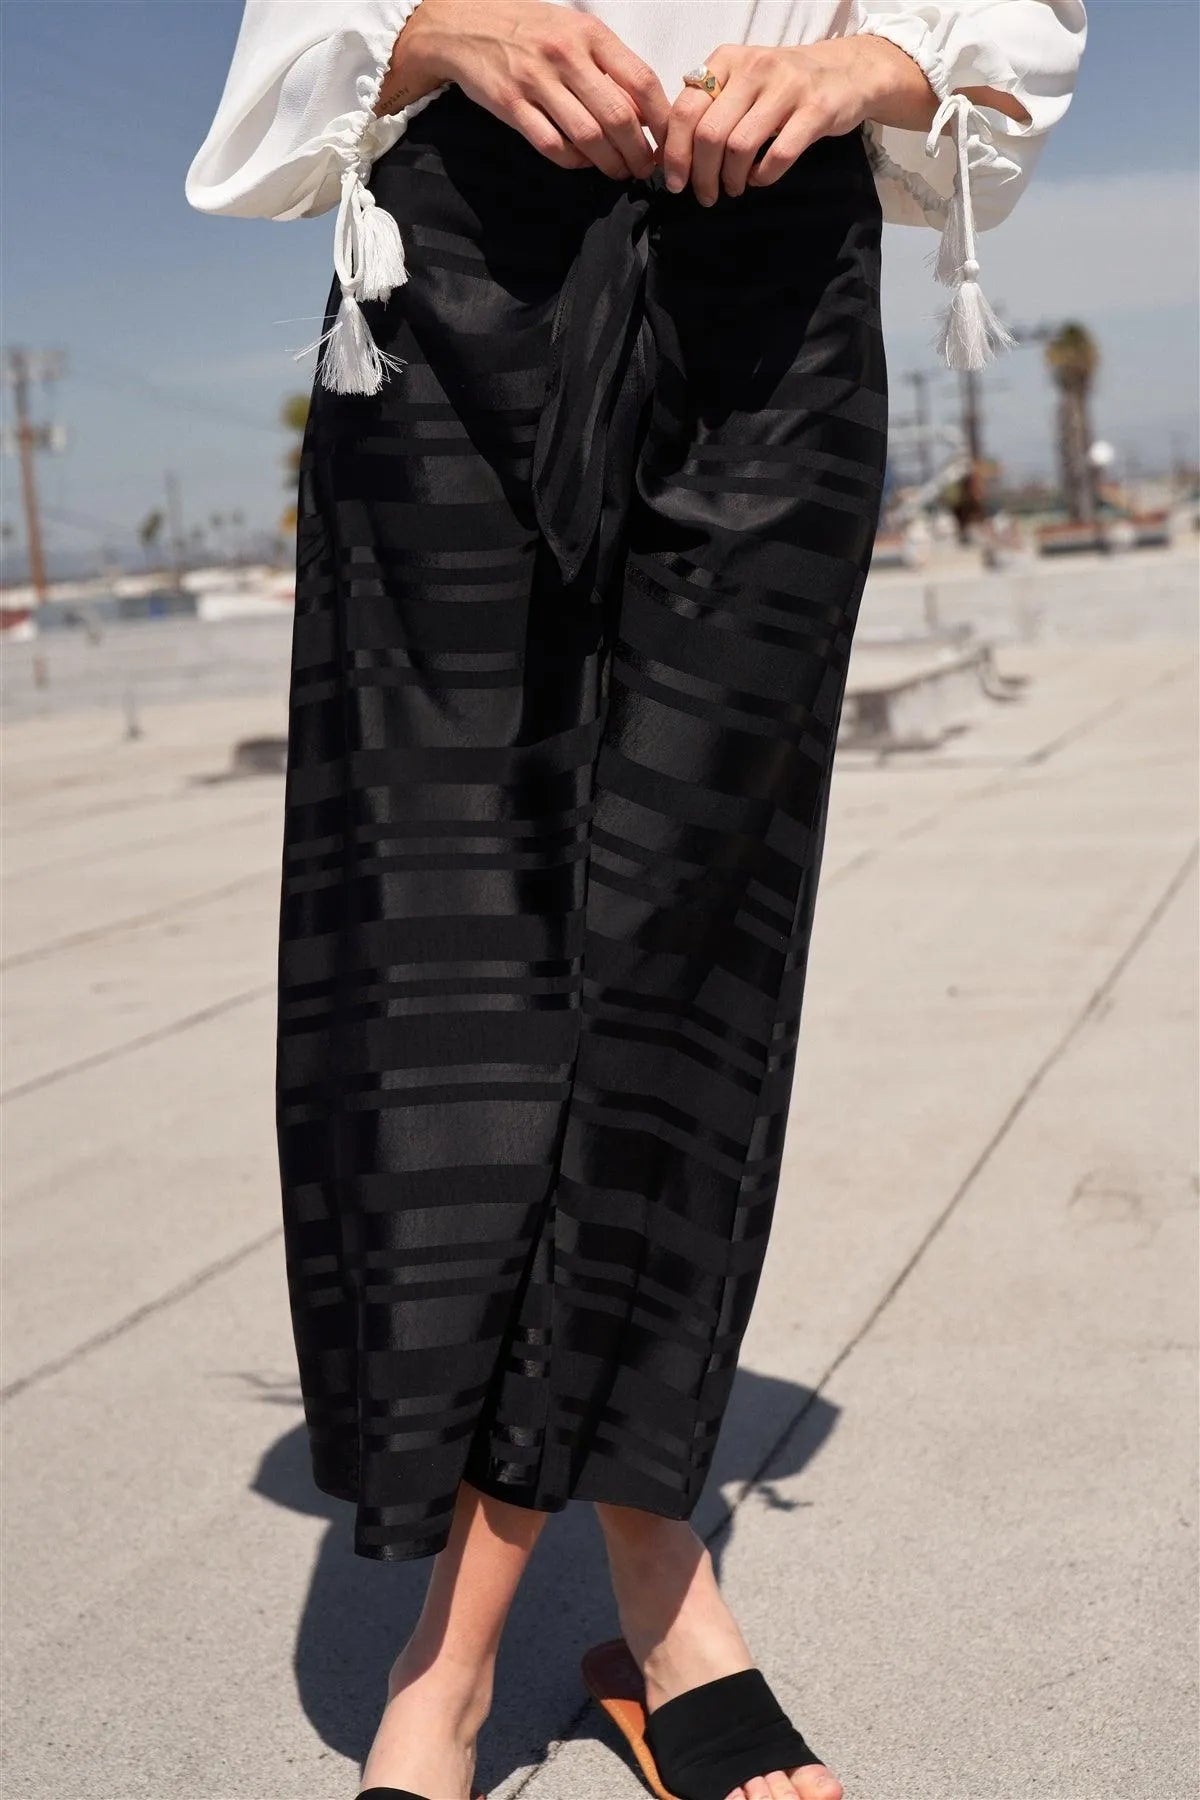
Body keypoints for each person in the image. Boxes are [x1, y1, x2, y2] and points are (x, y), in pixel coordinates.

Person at [186, 5, 1084, 1796]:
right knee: (444, 974)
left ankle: (451, 1673)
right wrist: (440, 26)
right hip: (458, 264)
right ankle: (664, 1609)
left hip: (779, 266)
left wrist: (878, 66)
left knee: (685, 965)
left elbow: (1008, 24)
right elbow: (299, 41)